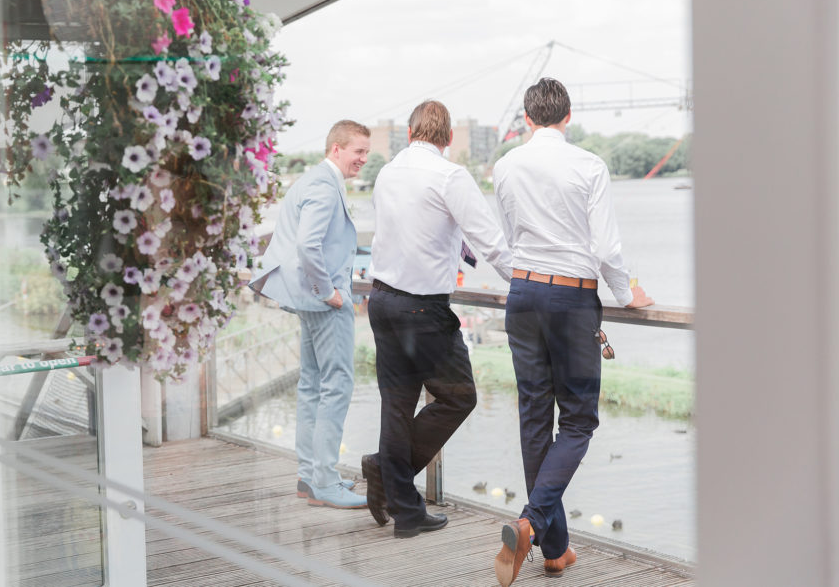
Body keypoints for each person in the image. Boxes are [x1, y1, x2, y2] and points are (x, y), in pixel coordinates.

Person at [490, 78, 654, 585]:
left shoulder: (504, 165)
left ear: (527, 119)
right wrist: (628, 294)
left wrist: (524, 281)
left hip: (522, 294)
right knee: (579, 421)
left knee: (535, 417)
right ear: (567, 116)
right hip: (570, 298)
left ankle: (555, 551)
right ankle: (532, 523)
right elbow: (605, 249)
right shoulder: (589, 165)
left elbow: (509, 238)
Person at [361, 100, 512, 538]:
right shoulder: (450, 175)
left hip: (382, 301)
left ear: (409, 134)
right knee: (458, 398)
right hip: (422, 310)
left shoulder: (387, 172)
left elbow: (407, 230)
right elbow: (492, 242)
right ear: (447, 140)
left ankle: (405, 512)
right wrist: (525, 282)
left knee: (397, 403)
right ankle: (390, 475)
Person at [249, 120, 370, 510]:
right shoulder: (323, 185)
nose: (364, 159)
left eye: (366, 152)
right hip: (323, 301)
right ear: (336, 148)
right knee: (337, 386)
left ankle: (310, 477)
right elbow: (307, 244)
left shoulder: (308, 180)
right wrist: (330, 293)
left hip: (306, 300)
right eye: (359, 151)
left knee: (312, 385)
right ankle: (325, 481)